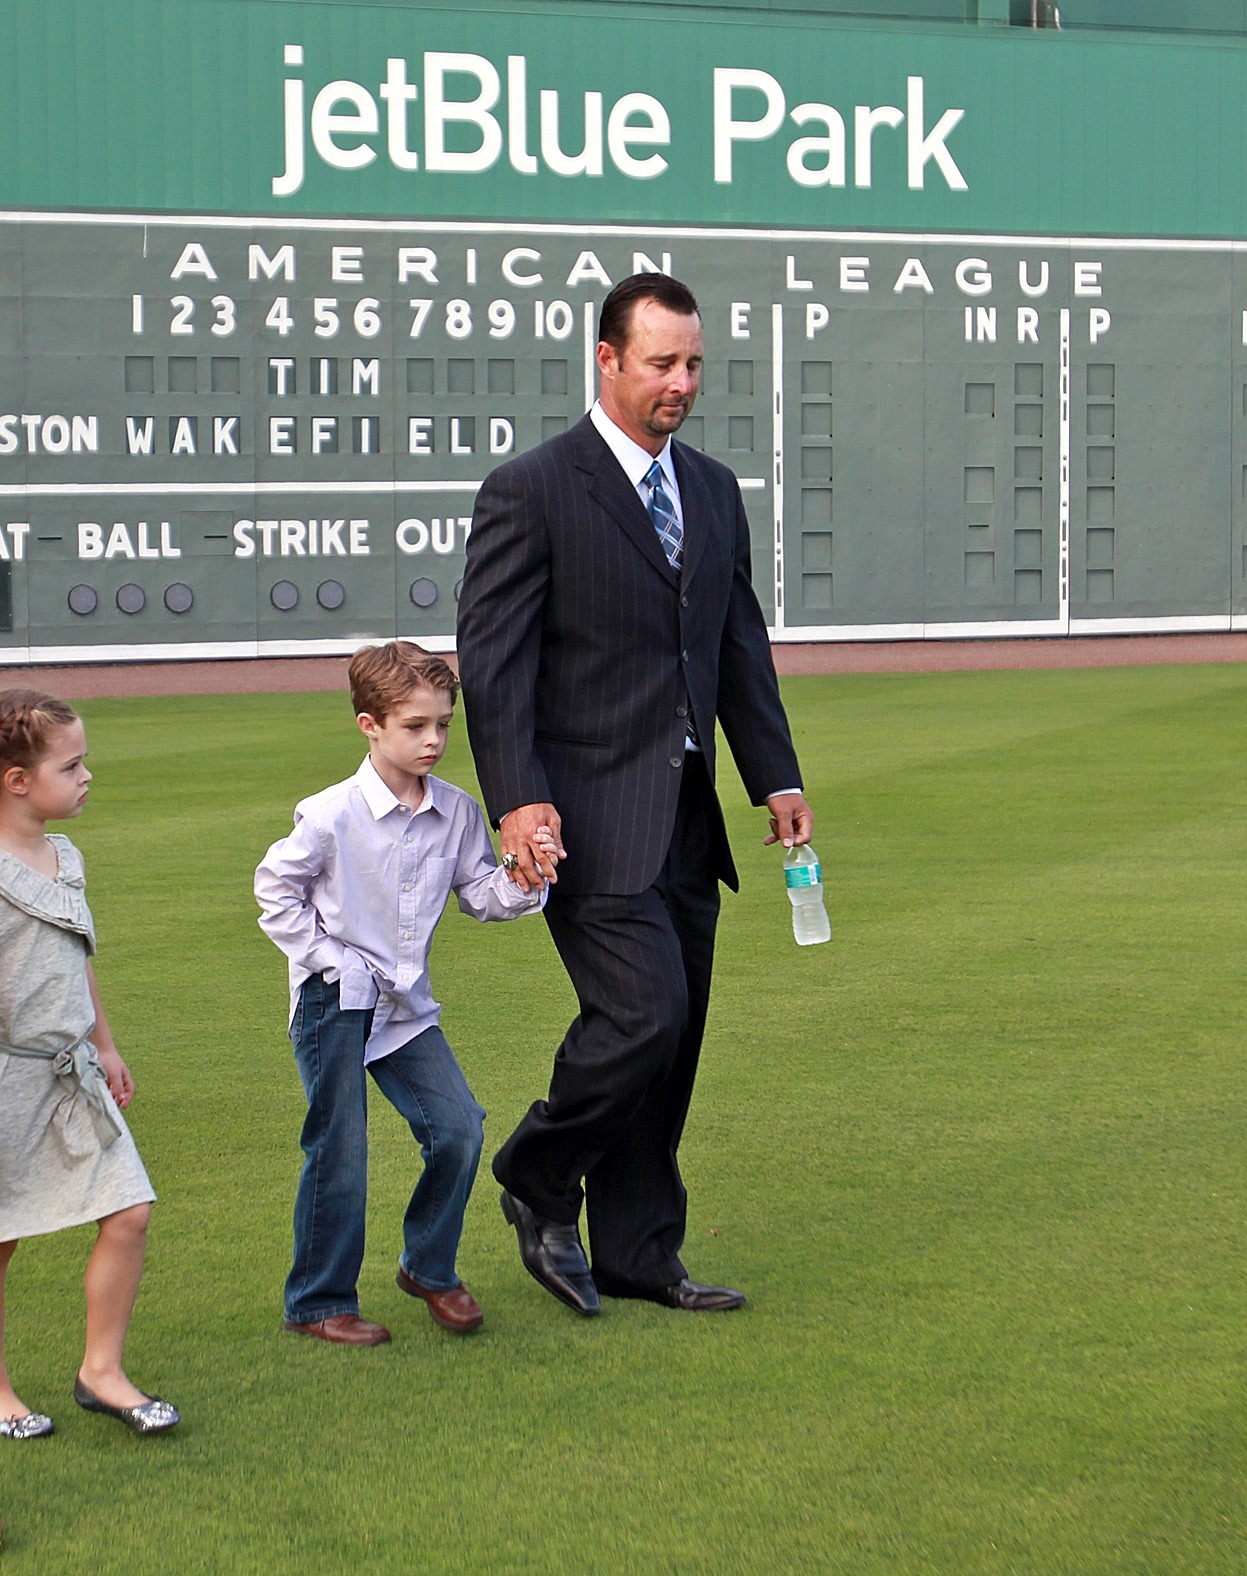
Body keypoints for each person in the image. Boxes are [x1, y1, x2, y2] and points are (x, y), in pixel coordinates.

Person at [457, 273, 814, 1318]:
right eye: (660, 362)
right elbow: (494, 660)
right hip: (582, 821)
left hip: (687, 818)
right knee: (641, 1014)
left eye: (693, 363)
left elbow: (735, 646)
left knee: (676, 1039)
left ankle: (638, 1251)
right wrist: (516, 801)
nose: (681, 382)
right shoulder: (531, 489)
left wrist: (775, 775)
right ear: (605, 360)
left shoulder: (708, 490)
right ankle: (534, 1170)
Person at [255, 642, 551, 1345]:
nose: (434, 740)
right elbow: (275, 891)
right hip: (334, 1004)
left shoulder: (455, 811)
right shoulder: (329, 814)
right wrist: (332, 962)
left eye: (444, 725)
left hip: (407, 1006)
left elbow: (481, 894)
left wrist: (523, 876)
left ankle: (429, 1268)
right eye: (416, 725)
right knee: (340, 1149)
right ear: (369, 725)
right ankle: (319, 1301)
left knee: (458, 1130)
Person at [0, 691, 178, 1437]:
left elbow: (75, 956)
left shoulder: (67, 856)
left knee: (129, 1213)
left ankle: (102, 1371)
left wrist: (103, 1044)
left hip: (73, 1076)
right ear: (17, 782)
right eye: (72, 764)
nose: (88, 775)